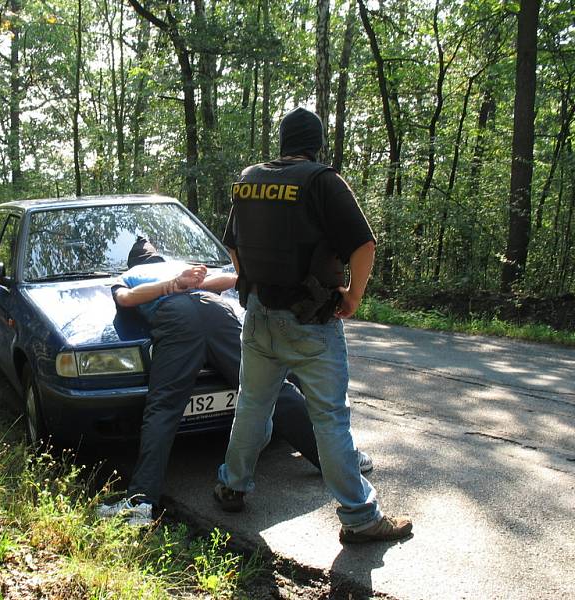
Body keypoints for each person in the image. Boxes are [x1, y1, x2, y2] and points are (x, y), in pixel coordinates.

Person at [214, 107, 412, 544]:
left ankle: (232, 484)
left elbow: (234, 247)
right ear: (316, 142)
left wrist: (254, 285)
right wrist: (354, 296)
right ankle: (360, 517)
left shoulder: (251, 180)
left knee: (251, 405)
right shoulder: (323, 181)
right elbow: (363, 244)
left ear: (283, 140)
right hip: (311, 322)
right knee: (330, 418)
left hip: (259, 316)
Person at [97, 237, 373, 526]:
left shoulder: (127, 276)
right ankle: (344, 463)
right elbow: (231, 280)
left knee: (163, 409)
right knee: (272, 391)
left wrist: (170, 288)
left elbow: (126, 299)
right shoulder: (180, 268)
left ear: (135, 263)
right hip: (218, 313)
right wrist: (188, 281)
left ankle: (141, 503)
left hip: (176, 322)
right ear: (158, 259)